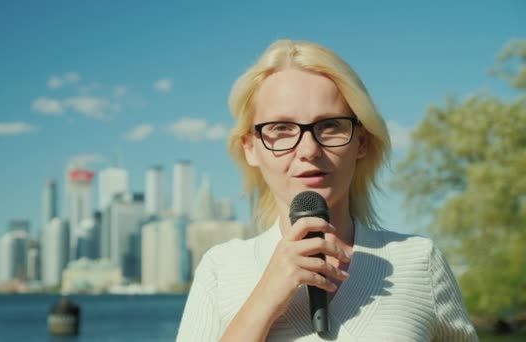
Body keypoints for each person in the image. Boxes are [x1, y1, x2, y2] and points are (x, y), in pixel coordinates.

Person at [176, 39, 478, 341]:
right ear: (251, 148)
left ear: (360, 142)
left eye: (330, 126)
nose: (309, 149)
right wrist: (264, 300)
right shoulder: (221, 269)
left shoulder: (418, 261)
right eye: (281, 128)